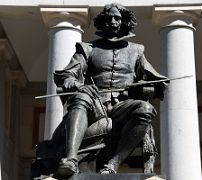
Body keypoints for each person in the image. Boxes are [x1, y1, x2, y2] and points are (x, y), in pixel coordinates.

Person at [53, 3, 169, 175]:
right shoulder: (87, 49)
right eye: (108, 18)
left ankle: (113, 164)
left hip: (122, 107)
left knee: (145, 109)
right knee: (81, 97)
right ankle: (70, 160)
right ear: (102, 22)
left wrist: (147, 87)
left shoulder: (136, 51)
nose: (112, 21)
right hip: (95, 104)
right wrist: (79, 85)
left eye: (117, 18)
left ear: (124, 22)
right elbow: (66, 75)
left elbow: (158, 82)